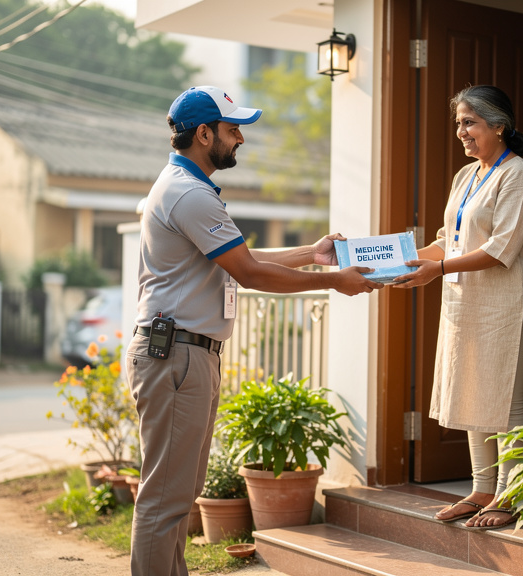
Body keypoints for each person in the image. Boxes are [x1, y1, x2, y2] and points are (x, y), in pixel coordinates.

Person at [125, 85, 381, 576]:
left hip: (183, 355)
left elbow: (240, 257)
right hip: (177, 356)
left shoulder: (187, 187)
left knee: (177, 493)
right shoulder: (189, 194)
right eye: (233, 129)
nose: (240, 138)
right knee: (165, 499)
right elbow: (250, 272)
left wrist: (312, 254)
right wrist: (334, 281)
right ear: (204, 134)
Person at [392, 85, 523, 530]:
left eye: (470, 123)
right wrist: (388, 261)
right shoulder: (466, 176)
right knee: (472, 389)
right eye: (459, 123)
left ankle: (512, 492)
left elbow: (503, 247)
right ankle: (482, 489)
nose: (461, 132)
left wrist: (438, 269)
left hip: (507, 299)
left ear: (498, 126)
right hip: (466, 301)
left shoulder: (518, 174)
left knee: (508, 399)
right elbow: (449, 241)